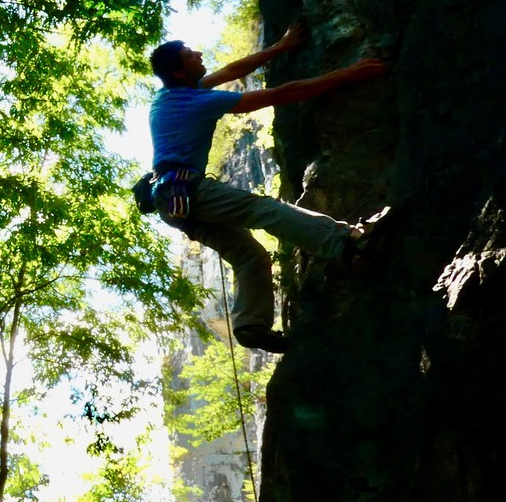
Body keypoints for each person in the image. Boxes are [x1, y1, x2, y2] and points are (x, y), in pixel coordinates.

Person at [147, 23, 386, 353]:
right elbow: (279, 95)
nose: (199, 54)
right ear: (178, 71)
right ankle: (346, 244)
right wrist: (347, 74)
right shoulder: (194, 102)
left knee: (249, 256)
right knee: (264, 209)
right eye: (190, 55)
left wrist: (281, 46)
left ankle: (249, 325)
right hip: (186, 189)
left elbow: (232, 70)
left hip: (172, 201)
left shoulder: (172, 95)